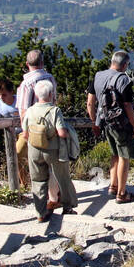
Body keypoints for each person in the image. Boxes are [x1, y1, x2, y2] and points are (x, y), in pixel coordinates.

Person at [23, 78, 78, 221]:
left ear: (36, 95)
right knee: (62, 177)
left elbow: (25, 134)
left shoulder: (29, 111)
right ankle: (68, 207)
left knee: (38, 181)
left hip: (34, 149)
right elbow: (62, 133)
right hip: (53, 149)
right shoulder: (55, 110)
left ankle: (40, 213)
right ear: (50, 94)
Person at [88, 50, 134, 203]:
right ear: (125, 65)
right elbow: (128, 105)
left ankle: (113, 185)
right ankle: (122, 193)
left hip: (104, 122)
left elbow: (90, 103)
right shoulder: (123, 79)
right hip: (120, 123)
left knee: (114, 153)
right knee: (124, 155)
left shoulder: (98, 76)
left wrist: (94, 122)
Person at [14, 50, 57, 189]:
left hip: (33, 130)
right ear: (42, 63)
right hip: (51, 126)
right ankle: (55, 194)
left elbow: (23, 111)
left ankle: (25, 185)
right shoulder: (50, 78)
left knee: (19, 156)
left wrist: (25, 132)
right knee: (51, 162)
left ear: (27, 64)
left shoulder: (26, 84)